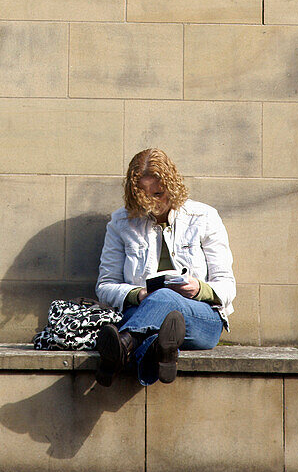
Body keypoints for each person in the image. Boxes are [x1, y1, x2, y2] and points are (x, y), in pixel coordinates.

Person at [95, 148, 235, 387]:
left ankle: (123, 345)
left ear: (171, 185)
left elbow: (227, 284)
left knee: (166, 297)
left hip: (201, 317)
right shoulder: (120, 222)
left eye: (158, 193)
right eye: (143, 195)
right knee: (159, 318)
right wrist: (137, 294)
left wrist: (198, 289)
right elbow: (104, 286)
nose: (152, 202)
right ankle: (163, 351)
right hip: (143, 309)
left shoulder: (204, 217)